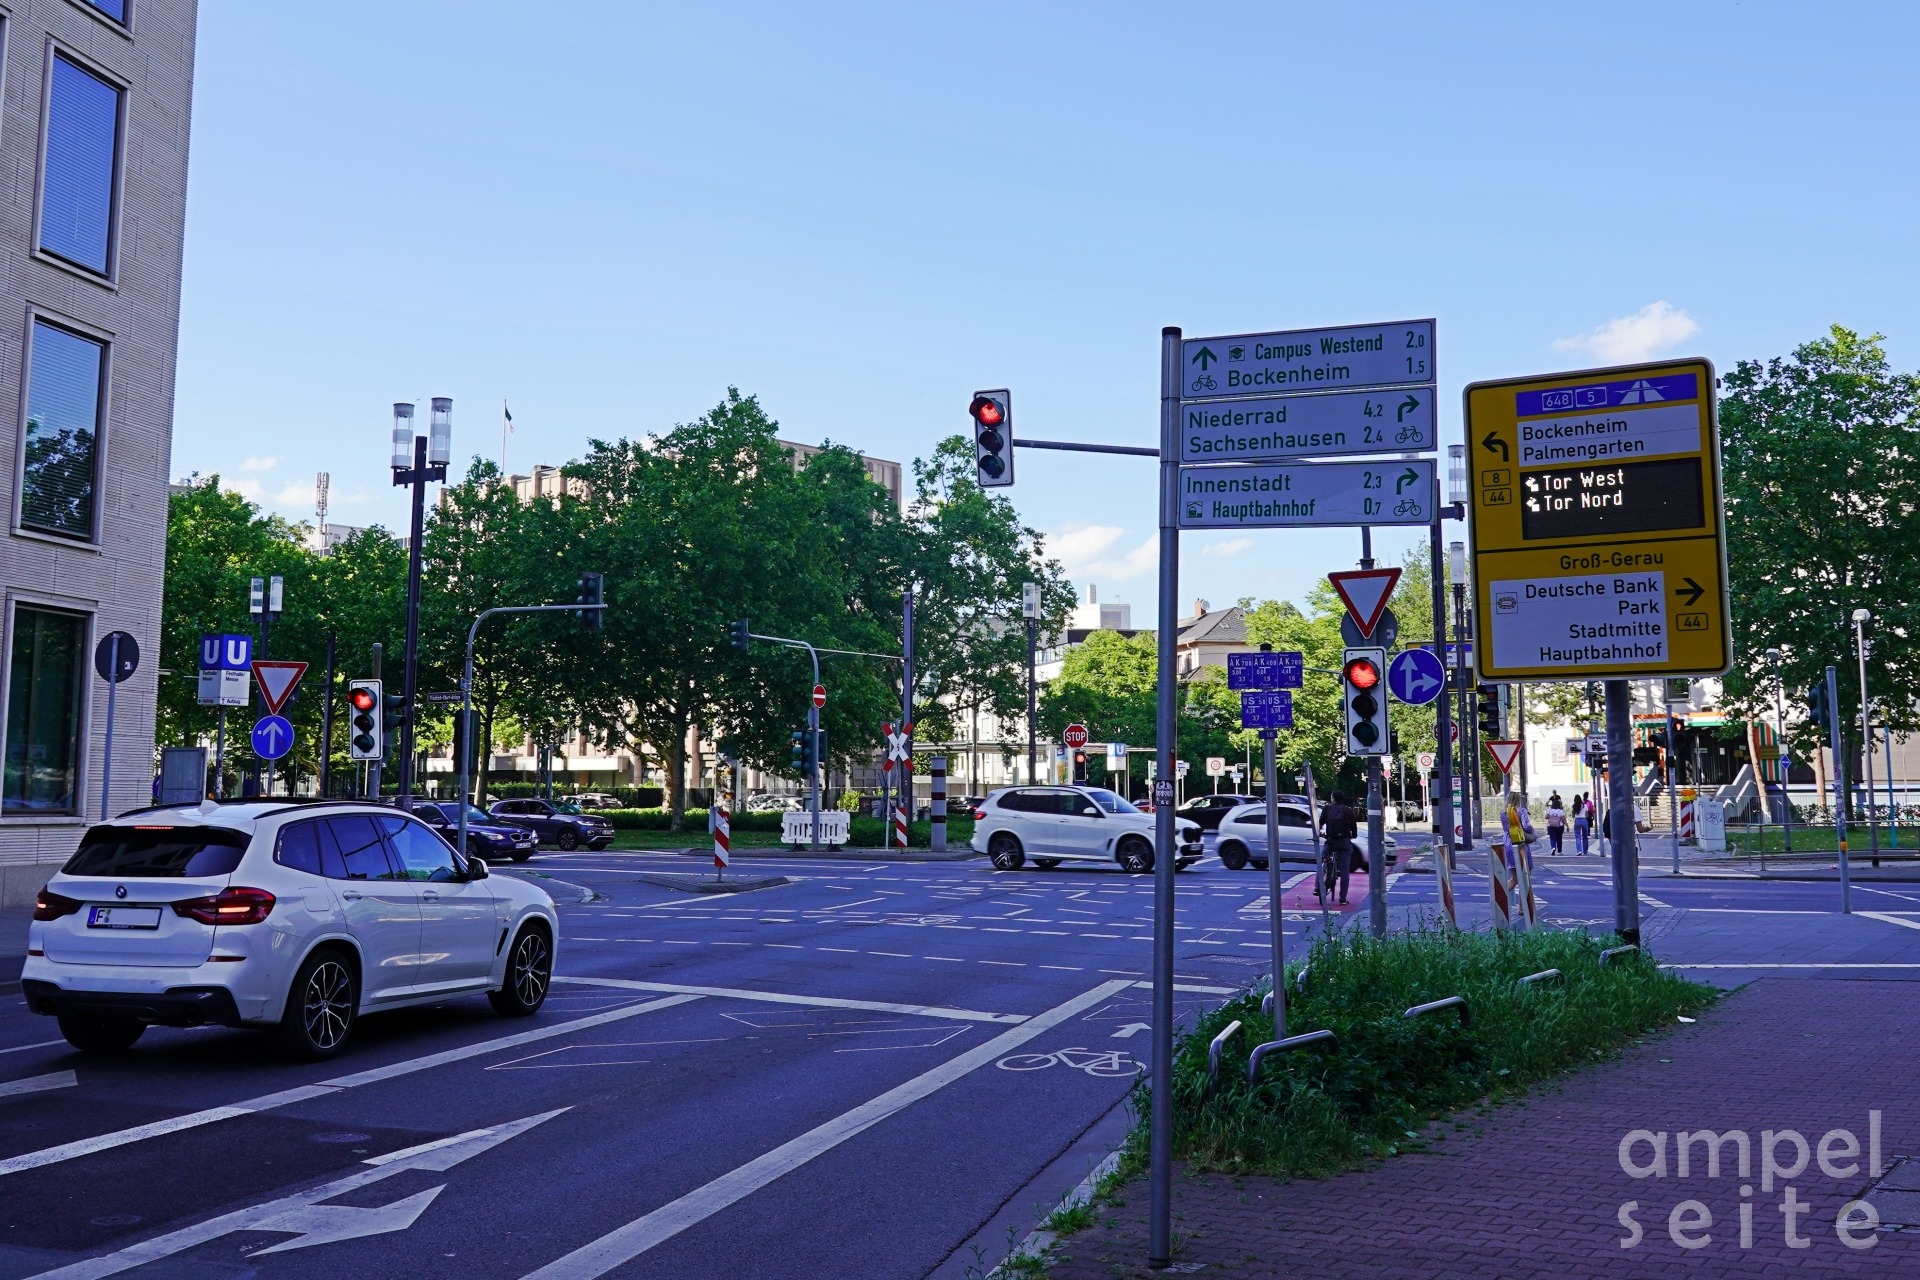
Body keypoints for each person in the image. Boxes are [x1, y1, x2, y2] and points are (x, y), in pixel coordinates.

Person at [1320, 790, 1359, 905]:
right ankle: (1342, 898)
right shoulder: (1348, 810)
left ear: (1333, 798)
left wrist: (1319, 833)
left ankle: (1318, 887)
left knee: (1322, 861)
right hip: (1344, 841)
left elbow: (1320, 823)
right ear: (1343, 799)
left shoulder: (1327, 808)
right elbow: (1354, 827)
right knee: (1345, 870)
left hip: (1330, 840)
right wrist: (1353, 835)